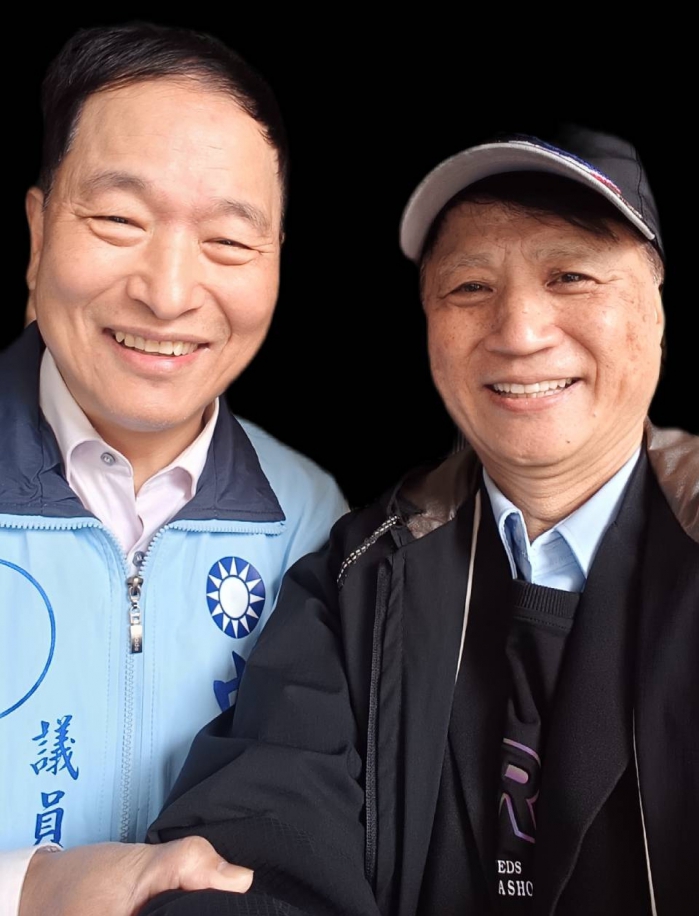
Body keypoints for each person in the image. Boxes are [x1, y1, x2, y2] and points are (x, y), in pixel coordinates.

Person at [143, 126, 698, 915]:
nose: (519, 332)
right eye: (469, 287)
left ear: (655, 308)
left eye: (570, 276)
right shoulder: (354, 582)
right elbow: (249, 858)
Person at [0, 21, 349, 916]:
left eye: (228, 242)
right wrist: (26, 888)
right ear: (37, 232)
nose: (166, 292)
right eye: (119, 221)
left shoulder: (313, 523)